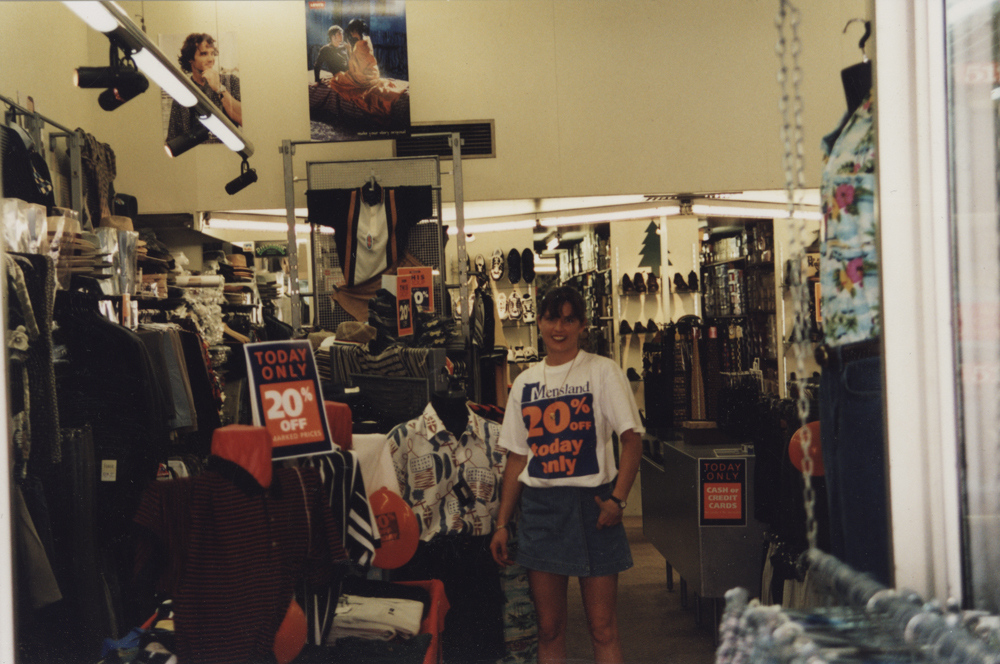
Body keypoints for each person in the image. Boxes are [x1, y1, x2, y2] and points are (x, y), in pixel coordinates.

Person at [490, 286, 643, 664]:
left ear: (582, 325)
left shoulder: (603, 371)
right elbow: (516, 458)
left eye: (569, 319)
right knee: (549, 629)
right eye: (552, 318)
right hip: (541, 512)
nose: (559, 328)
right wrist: (502, 523)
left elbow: (632, 440)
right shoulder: (525, 383)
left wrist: (618, 500)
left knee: (603, 628)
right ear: (539, 322)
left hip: (595, 509)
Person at [166, 33, 242, 144]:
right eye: (204, 54)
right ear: (190, 59)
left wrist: (219, 88)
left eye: (212, 53)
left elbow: (243, 119)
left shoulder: (231, 81)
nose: (211, 59)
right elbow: (173, 140)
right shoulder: (182, 93)